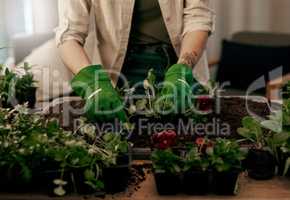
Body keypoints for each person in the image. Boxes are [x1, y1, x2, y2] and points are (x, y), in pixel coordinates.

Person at [56, 0, 215, 122]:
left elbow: (198, 17)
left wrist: (182, 69)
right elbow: (68, 34)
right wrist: (93, 83)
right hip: (118, 77)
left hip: (178, 68)